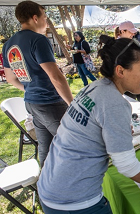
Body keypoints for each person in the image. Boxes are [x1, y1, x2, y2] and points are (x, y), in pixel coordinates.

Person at [37, 35, 140, 213]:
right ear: (120, 71)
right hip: (74, 200)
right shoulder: (115, 102)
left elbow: (86, 132)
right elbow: (126, 164)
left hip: (51, 187)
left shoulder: (93, 87)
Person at [1, 0, 73, 167]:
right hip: (50, 103)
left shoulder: (8, 44)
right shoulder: (38, 40)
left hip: (31, 103)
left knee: (45, 148)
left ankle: (46, 186)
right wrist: (72, 103)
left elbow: (11, 79)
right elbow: (55, 76)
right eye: (45, 17)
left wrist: (29, 87)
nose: (46, 22)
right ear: (35, 18)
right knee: (74, 142)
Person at [115, 20, 140, 104]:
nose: (133, 34)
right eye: (131, 32)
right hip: (125, 81)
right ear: (122, 31)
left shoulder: (132, 43)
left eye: (134, 32)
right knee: (130, 106)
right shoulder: (115, 46)